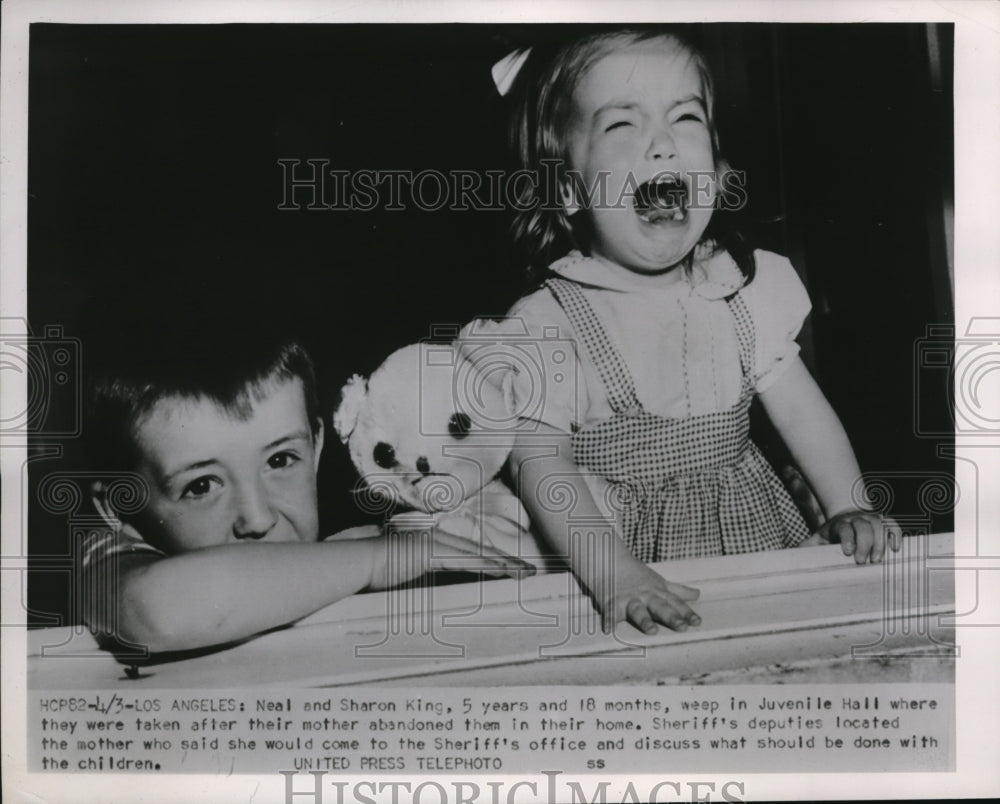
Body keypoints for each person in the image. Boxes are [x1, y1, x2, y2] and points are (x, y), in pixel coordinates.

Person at [494, 28, 901, 637]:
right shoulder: (547, 325)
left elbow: (804, 415)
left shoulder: (739, 291)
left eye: (685, 118)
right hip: (618, 563)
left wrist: (848, 503)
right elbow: (540, 467)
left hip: (755, 541)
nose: (662, 145)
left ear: (716, 166)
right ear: (568, 189)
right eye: (621, 126)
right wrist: (614, 575)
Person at [80, 312, 531, 654]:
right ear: (119, 509)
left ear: (316, 448)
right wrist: (374, 560)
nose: (257, 519)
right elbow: (161, 610)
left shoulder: (357, 541)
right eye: (201, 486)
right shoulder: (108, 561)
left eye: (280, 459)